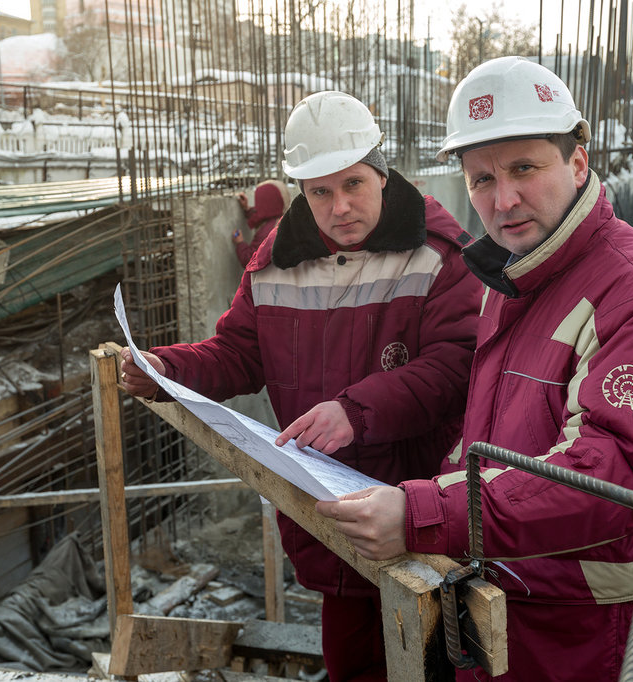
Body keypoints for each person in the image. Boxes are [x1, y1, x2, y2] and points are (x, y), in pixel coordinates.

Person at [316, 56, 633, 681]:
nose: (502, 200)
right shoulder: (515, 281)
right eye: (481, 180)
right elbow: (491, 443)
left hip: (605, 640)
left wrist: (425, 515)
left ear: (578, 161)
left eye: (524, 169)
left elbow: (607, 479)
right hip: (520, 618)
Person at [120, 90, 483, 681]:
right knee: (352, 664)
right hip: (328, 521)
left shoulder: (437, 257)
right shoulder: (274, 263)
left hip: (418, 519)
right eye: (320, 191)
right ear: (301, 191)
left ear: (382, 173)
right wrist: (169, 369)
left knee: (430, 663)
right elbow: (240, 353)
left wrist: (356, 411)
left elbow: (457, 367)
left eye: (354, 184)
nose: (340, 206)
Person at [231, 179, 290, 268]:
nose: (258, 205)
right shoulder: (284, 220)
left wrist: (240, 243)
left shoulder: (268, 233)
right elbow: (262, 216)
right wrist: (247, 209)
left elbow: (250, 260)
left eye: (260, 201)